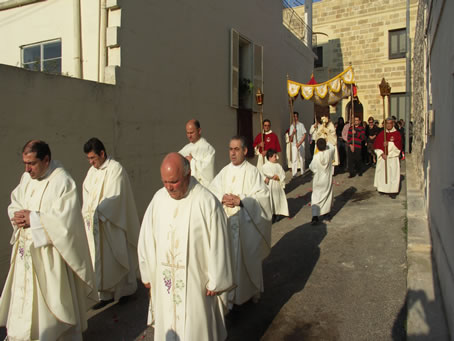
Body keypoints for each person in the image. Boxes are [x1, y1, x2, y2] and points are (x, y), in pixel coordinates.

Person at [0, 140, 97, 340]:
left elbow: (66, 223)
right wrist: (16, 215)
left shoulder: (63, 181)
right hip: (25, 254)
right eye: (25, 164)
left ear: (46, 159)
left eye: (32, 163)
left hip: (49, 257)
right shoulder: (26, 178)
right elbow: (15, 201)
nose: (27, 169)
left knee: (50, 309)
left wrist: (33, 219)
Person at [138, 153, 234, 340]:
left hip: (196, 286)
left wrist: (216, 280)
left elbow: (220, 241)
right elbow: (146, 237)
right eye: (164, 182)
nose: (168, 187)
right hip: (165, 284)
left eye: (173, 182)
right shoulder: (158, 199)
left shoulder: (206, 201)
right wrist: (147, 272)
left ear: (188, 175)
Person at [210, 136, 272, 307]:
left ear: (245, 151)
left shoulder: (253, 172)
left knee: (245, 261)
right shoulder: (224, 171)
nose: (233, 153)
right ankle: (229, 297)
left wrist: (242, 200)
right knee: (228, 260)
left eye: (237, 149)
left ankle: (249, 292)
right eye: (230, 149)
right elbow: (211, 191)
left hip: (246, 225)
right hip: (227, 224)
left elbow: (263, 198)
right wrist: (221, 197)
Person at [82, 137, 140, 309]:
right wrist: (87, 212)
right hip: (96, 225)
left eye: (93, 158)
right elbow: (86, 193)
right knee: (101, 261)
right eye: (89, 159)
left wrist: (98, 211)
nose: (91, 162)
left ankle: (125, 292)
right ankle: (105, 295)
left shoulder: (116, 169)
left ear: (102, 153)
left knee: (117, 256)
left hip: (112, 223)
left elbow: (115, 196)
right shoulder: (92, 172)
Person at [179, 119, 215, 187]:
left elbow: (208, 173)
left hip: (201, 187)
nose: (189, 136)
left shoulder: (208, 149)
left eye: (191, 133)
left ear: (199, 131)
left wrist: (192, 161)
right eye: (187, 133)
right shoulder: (185, 149)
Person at [373, 117, 402, 198]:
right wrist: (382, 154)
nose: (388, 125)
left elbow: (398, 146)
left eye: (390, 123)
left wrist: (388, 144)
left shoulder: (397, 134)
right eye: (387, 123)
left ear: (393, 124)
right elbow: (376, 145)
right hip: (383, 157)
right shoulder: (382, 134)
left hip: (392, 157)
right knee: (382, 173)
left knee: (393, 174)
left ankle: (392, 191)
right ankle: (383, 189)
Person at [309, 138, 335, 224]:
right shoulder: (329, 152)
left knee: (316, 197)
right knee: (327, 196)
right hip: (327, 179)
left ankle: (315, 217)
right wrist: (327, 141)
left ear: (317, 146)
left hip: (318, 179)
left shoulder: (316, 156)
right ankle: (326, 216)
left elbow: (312, 167)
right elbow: (332, 147)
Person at [262, 149, 289, 222]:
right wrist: (267, 177)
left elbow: (282, 173)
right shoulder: (265, 166)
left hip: (277, 185)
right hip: (270, 186)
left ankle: (278, 213)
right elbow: (263, 174)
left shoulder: (278, 165)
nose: (276, 158)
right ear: (270, 157)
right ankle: (272, 214)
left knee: (277, 200)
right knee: (271, 200)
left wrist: (279, 177)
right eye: (274, 156)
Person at [289, 111, 307, 177]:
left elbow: (304, 134)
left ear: (298, 117)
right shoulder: (291, 126)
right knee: (294, 159)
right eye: (294, 117)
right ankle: (294, 173)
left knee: (302, 158)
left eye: (296, 116)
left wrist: (300, 143)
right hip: (294, 144)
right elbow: (290, 139)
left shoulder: (301, 125)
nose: (295, 118)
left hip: (301, 143)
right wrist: (293, 133)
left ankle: (303, 172)